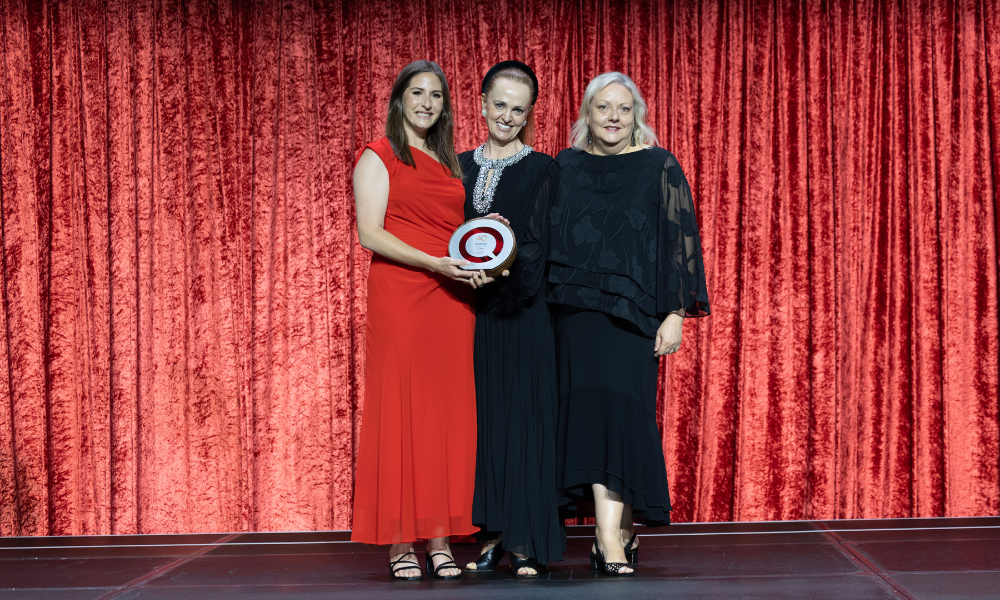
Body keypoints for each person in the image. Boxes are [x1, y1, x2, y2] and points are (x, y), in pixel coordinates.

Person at [547, 72, 710, 576]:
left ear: (636, 114)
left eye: (623, 108)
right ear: (587, 115)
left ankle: (613, 533)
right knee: (589, 417)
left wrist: (676, 314)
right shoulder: (564, 166)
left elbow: (680, 241)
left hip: (634, 317)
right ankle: (609, 536)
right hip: (571, 314)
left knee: (622, 415)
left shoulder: (659, 165)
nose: (613, 117)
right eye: (603, 107)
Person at [351, 60, 493, 581]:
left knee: (446, 416)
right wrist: (434, 263)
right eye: (417, 92)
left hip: (452, 300)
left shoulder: (450, 161)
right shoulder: (378, 154)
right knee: (402, 411)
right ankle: (399, 543)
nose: (427, 102)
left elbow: (456, 230)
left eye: (436, 94)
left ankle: (438, 537)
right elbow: (371, 234)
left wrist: (483, 249)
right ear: (399, 99)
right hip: (403, 295)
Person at [458, 61, 564, 578]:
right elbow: (443, 238)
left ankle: (526, 537)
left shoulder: (543, 168)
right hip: (467, 315)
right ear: (481, 104)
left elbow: (543, 247)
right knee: (485, 424)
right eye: (499, 104)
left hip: (524, 313)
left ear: (529, 115)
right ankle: (494, 531)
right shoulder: (456, 165)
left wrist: (510, 249)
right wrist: (462, 272)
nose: (506, 116)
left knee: (525, 420)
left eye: (518, 109)